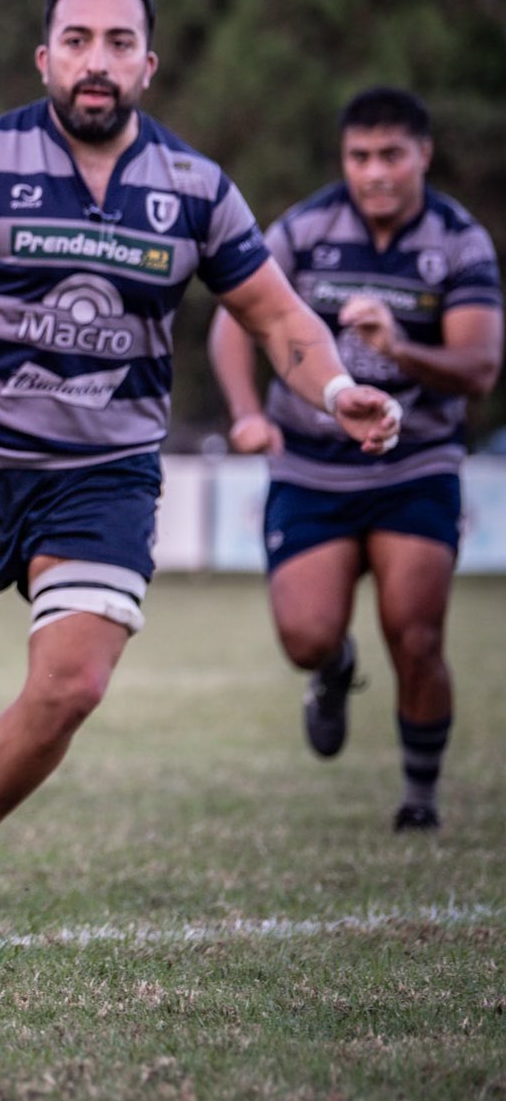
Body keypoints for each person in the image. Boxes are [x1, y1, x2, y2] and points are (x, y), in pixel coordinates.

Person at [0, 0, 403, 918]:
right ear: (45, 58)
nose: (98, 62)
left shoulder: (197, 189)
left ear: (148, 66)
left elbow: (277, 316)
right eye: (79, 41)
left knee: (73, 683)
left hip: (104, 475)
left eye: (119, 44)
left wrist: (336, 386)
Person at [208, 87, 500, 832]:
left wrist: (398, 346)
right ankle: (333, 672)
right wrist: (245, 413)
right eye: (360, 156)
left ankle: (420, 798)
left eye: (391, 156)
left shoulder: (459, 241)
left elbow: (479, 366)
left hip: (415, 462)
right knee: (306, 636)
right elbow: (235, 321)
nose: (375, 172)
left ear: (422, 156)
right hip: (310, 464)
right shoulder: (304, 229)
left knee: (416, 632)